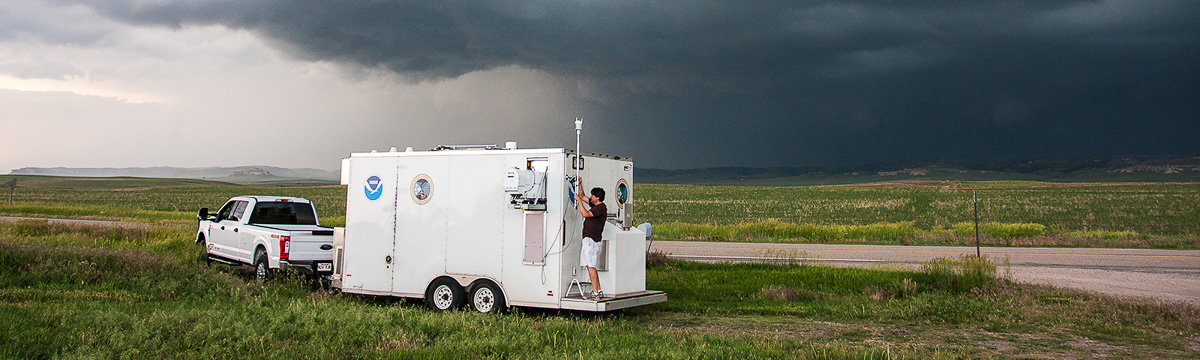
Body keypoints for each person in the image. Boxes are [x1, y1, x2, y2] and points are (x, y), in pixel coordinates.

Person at [575, 177, 607, 300]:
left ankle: (595, 292)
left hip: (592, 240)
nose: (591, 197)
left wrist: (579, 202)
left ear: (597, 197)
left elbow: (585, 214)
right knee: (591, 265)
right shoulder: (595, 205)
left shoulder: (600, 208)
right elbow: (582, 196)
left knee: (590, 265)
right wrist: (579, 184)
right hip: (590, 239)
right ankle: (598, 289)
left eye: (592, 195)